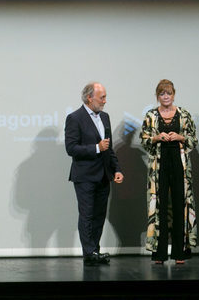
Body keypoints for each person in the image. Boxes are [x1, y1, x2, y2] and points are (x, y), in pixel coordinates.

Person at [65, 82, 124, 266]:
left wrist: (117, 169)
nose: (105, 101)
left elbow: (109, 148)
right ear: (89, 97)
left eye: (105, 96)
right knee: (87, 215)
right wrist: (96, 148)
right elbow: (71, 148)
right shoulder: (75, 118)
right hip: (85, 176)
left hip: (104, 175)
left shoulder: (105, 117)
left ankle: (94, 251)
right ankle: (88, 253)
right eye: (102, 97)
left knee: (99, 215)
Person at [140, 79, 197, 264]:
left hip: (180, 165)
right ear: (157, 96)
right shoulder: (150, 115)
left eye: (169, 93)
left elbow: (193, 140)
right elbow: (144, 140)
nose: (166, 97)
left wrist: (180, 137)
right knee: (160, 207)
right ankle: (160, 254)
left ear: (174, 94)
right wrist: (156, 137)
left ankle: (180, 253)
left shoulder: (184, 114)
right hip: (159, 166)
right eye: (162, 94)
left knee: (181, 205)